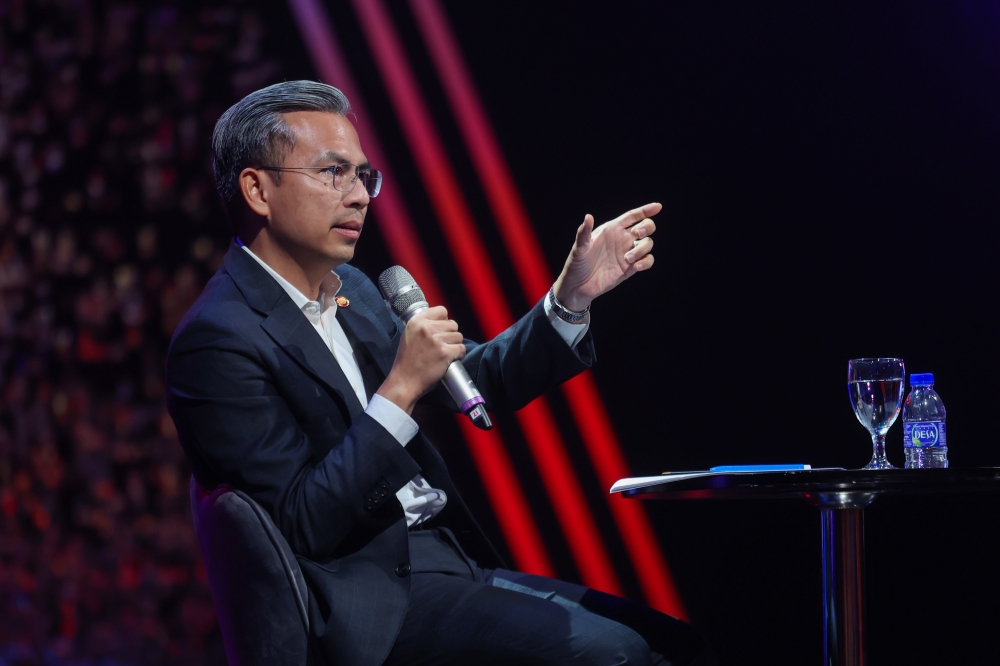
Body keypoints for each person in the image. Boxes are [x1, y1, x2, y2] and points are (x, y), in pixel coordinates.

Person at [166, 80, 704, 666]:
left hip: (448, 560)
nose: (359, 196)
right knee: (616, 657)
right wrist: (399, 390)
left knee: (674, 646)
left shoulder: (356, 293)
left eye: (363, 176)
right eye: (333, 173)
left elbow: (479, 379)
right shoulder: (217, 341)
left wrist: (567, 302)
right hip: (366, 603)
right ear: (257, 189)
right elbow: (302, 523)